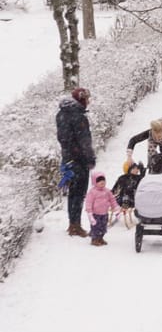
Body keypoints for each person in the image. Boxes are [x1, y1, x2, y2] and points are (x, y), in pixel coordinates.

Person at [55, 87, 94, 237]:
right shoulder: (79, 116)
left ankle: (72, 224)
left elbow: (62, 138)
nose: (89, 101)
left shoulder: (61, 114)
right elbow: (84, 140)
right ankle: (76, 226)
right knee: (79, 193)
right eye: (87, 99)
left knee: (73, 192)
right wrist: (90, 158)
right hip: (79, 160)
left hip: (67, 158)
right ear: (82, 99)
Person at [85, 173, 117, 246]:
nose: (102, 182)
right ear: (95, 182)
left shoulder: (107, 191)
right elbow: (89, 202)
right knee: (96, 227)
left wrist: (115, 207)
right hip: (95, 214)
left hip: (104, 213)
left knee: (103, 227)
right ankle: (94, 239)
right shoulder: (92, 192)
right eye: (99, 181)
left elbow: (112, 199)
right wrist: (89, 213)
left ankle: (100, 238)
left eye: (103, 180)